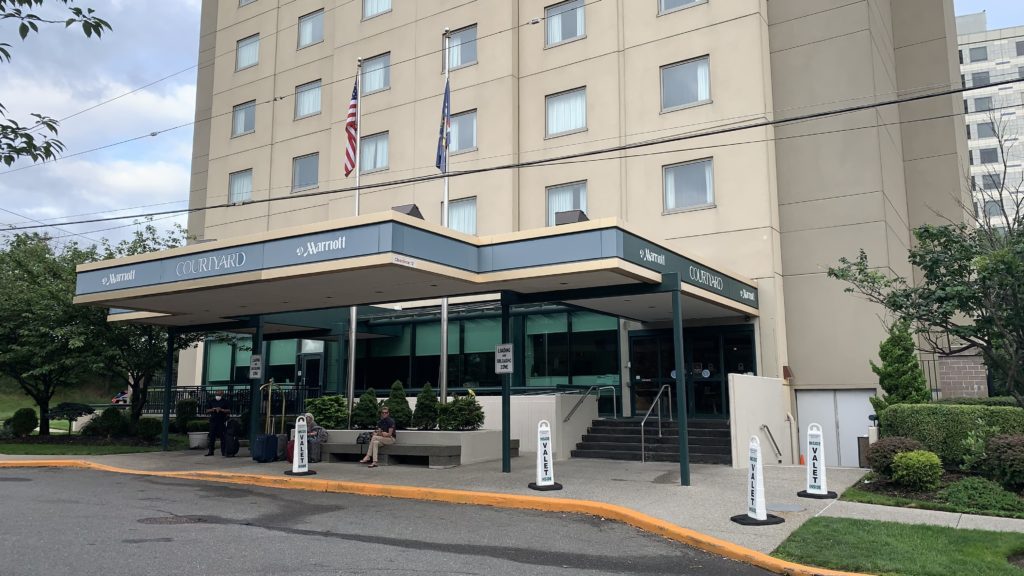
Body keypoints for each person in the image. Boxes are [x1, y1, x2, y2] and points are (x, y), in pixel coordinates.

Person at [205, 391, 231, 456]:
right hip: (213, 421)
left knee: (223, 437)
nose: (218, 396)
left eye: (219, 394)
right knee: (212, 437)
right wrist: (213, 409)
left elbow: (229, 410)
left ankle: (223, 451)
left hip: (221, 421)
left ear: (222, 395)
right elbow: (207, 410)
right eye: (216, 394)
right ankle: (211, 451)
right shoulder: (212, 401)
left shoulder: (225, 401)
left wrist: (221, 410)